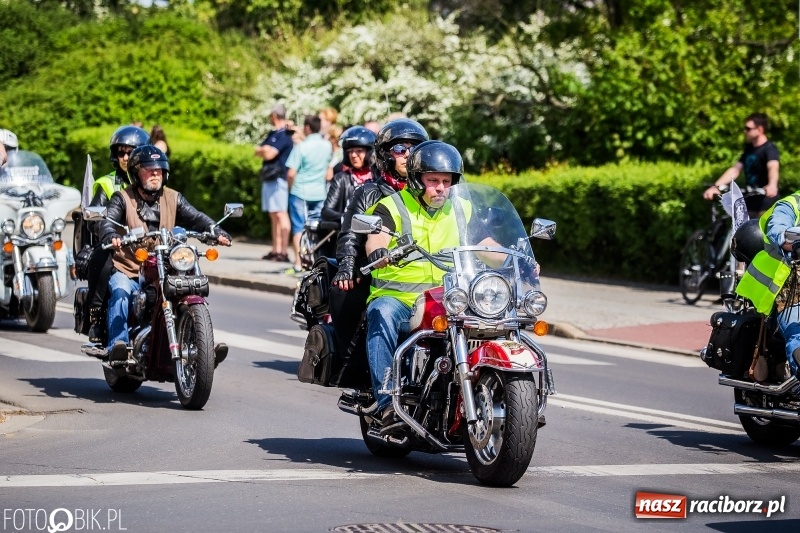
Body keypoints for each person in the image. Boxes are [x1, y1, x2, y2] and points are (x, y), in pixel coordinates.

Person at [363, 140, 492, 431]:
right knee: (381, 314)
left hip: (450, 297)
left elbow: (485, 243)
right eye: (433, 181)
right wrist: (379, 251)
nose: (440, 188)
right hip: (398, 298)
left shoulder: (462, 208)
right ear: (416, 179)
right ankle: (386, 403)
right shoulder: (392, 206)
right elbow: (376, 237)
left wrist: (517, 259)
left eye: (446, 181)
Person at [98, 145, 231, 361]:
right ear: (136, 173)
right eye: (149, 170)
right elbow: (107, 220)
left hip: (164, 266)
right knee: (121, 291)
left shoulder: (173, 197)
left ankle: (202, 345)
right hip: (131, 269)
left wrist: (216, 231)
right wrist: (109, 233)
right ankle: (118, 348)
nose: (155, 174)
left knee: (186, 287)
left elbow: (196, 217)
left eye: (159, 170)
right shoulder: (122, 198)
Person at [327, 119, 428, 366]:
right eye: (400, 149)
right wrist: (348, 264)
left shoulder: (432, 192)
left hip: (429, 281)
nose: (407, 155)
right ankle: (354, 365)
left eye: (413, 149)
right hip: (381, 273)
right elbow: (351, 233)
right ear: (386, 155)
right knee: (349, 290)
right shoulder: (369, 192)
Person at [83, 125, 151, 341]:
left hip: (148, 245)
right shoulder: (107, 183)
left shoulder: (152, 180)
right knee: (102, 257)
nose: (125, 157)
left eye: (130, 152)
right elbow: (95, 218)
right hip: (117, 244)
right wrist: (110, 233)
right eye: (121, 152)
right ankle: (96, 315)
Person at [317, 127, 379, 259]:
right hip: (348, 240)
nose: (353, 155)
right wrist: (348, 218)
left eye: (359, 151)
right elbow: (326, 211)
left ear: (371, 152)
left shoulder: (379, 178)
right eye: (350, 151)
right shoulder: (341, 178)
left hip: (376, 237)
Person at [703, 113, 780, 218]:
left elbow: (773, 167)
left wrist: (772, 185)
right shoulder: (749, 148)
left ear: (760, 129)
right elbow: (735, 170)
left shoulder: (769, 149)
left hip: (766, 203)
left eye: (748, 129)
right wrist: (716, 186)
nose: (745, 131)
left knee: (762, 228)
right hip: (749, 203)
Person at [284, 115, 333, 276]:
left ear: (307, 127)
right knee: (317, 228)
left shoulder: (302, 146)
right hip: (320, 192)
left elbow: (291, 173)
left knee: (299, 228)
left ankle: (299, 264)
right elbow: (328, 170)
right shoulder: (327, 146)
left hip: (300, 192)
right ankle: (315, 262)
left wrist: (290, 188)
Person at [255, 104, 294, 262]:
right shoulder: (273, 133)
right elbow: (257, 150)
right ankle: (275, 249)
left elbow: (269, 154)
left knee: (281, 213)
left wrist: (264, 150)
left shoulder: (285, 134)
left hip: (279, 178)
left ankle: (283, 251)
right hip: (269, 177)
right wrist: (264, 150)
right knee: (273, 214)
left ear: (274, 116)